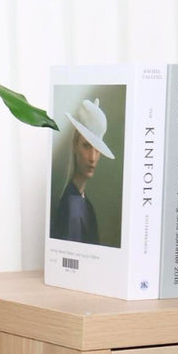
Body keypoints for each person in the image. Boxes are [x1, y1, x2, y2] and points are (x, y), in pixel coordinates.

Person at [50, 97, 115, 244]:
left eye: (97, 150)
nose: (92, 158)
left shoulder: (85, 203)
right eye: (86, 146)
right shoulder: (70, 204)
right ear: (75, 145)